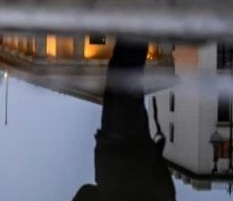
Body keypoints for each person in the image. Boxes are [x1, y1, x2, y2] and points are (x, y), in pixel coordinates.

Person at [72, 39, 174, 201]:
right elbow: (86, 193)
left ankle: (135, 27)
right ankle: (138, 26)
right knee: (124, 74)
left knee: (121, 72)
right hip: (121, 148)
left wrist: (156, 158)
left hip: (126, 148)